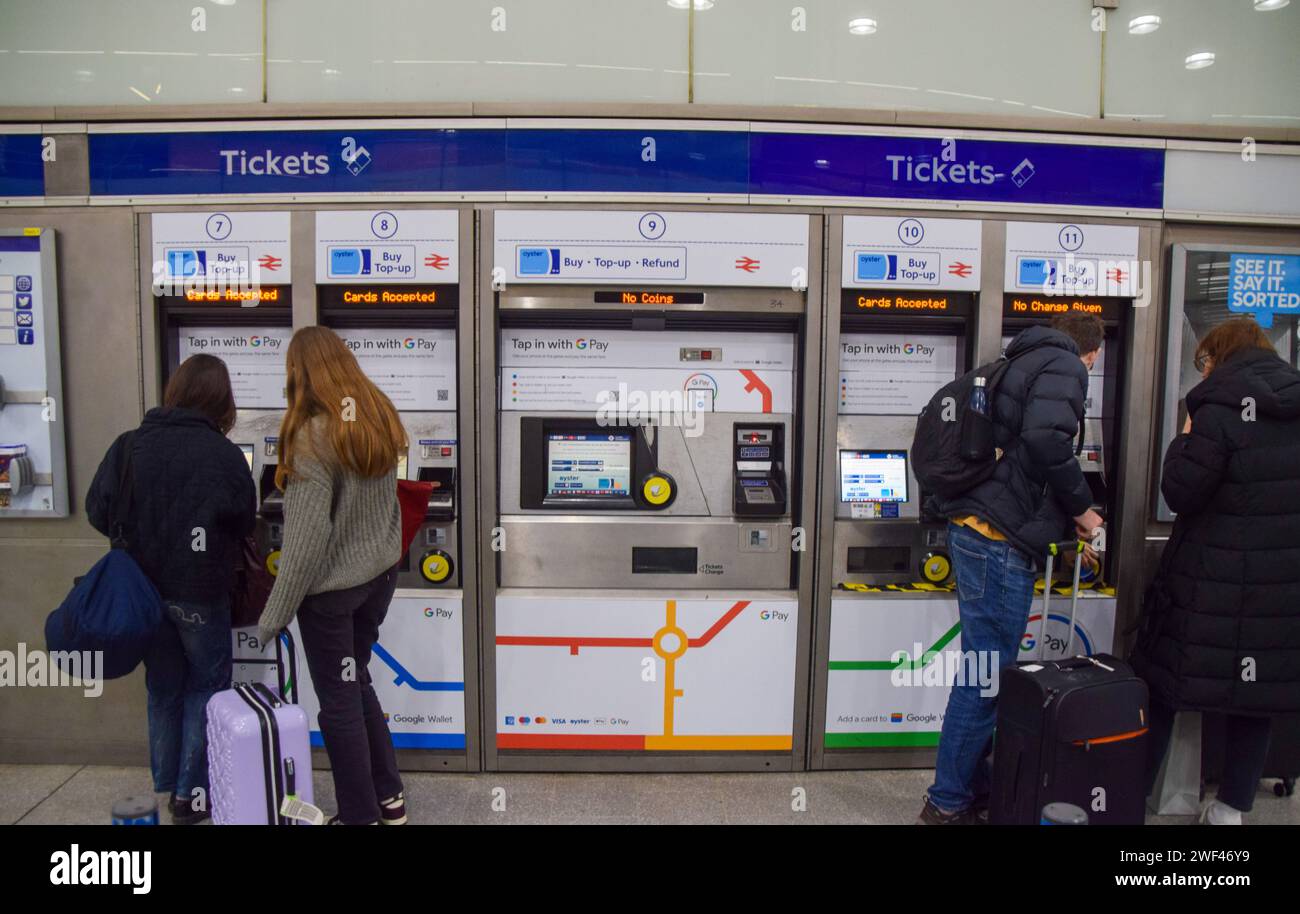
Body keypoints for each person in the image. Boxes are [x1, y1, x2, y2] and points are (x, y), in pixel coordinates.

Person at [917, 313, 1105, 825]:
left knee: (984, 669)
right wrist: (1085, 510)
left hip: (977, 529)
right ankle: (947, 802)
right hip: (998, 538)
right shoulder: (1065, 364)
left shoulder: (1016, 361)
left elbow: (1025, 455)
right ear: (1091, 350)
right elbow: (1048, 444)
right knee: (985, 676)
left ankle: (973, 789)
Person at [1135, 317, 1300, 824]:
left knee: (1163, 686)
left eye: (1204, 362)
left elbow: (1182, 491)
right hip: (1279, 586)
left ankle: (1128, 796)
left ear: (1219, 358)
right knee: (1254, 699)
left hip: (1209, 581)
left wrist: (1183, 437)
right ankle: (1230, 810)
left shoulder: (1217, 409)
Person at [86, 354, 256, 825]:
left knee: (163, 686)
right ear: (222, 400)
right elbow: (245, 522)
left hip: (143, 594)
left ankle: (164, 785)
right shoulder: (224, 454)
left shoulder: (128, 447)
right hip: (201, 593)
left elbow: (97, 511)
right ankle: (191, 794)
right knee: (207, 685)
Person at [256, 325, 407, 825]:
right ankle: (389, 798)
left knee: (338, 703)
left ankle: (359, 815)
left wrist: (271, 619)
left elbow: (301, 545)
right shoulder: (376, 415)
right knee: (357, 681)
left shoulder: (310, 437)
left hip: (332, 597)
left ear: (301, 374)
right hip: (377, 581)